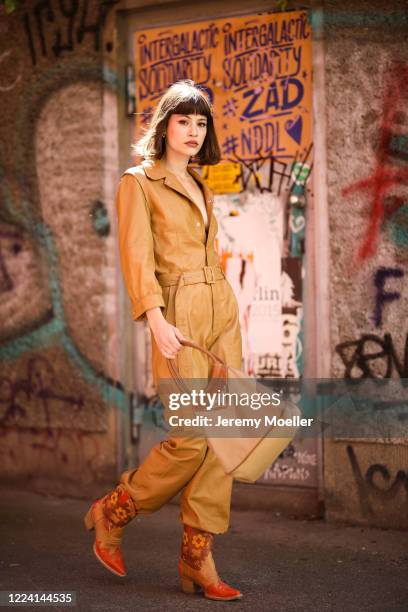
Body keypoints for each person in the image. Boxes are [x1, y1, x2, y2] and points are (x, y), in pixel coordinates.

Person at [84, 80, 243, 601]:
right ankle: (116, 509)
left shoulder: (202, 184)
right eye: (184, 121)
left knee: (226, 437)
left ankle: (197, 556)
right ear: (165, 124)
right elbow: (137, 257)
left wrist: (229, 314)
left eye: (202, 123)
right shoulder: (139, 182)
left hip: (220, 311)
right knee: (191, 438)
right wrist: (155, 318)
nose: (194, 132)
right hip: (176, 315)